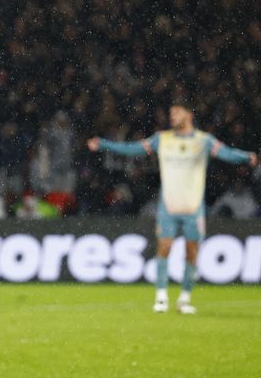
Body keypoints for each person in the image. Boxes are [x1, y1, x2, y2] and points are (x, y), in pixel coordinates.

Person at [88, 100, 258, 314]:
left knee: (191, 252)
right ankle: (161, 298)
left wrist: (245, 156)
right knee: (164, 248)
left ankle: (184, 299)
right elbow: (133, 149)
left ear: (189, 114)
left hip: (193, 208)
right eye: (171, 113)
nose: (173, 117)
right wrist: (104, 144)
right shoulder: (162, 139)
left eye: (177, 113)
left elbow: (227, 153)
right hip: (168, 206)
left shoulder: (203, 141)